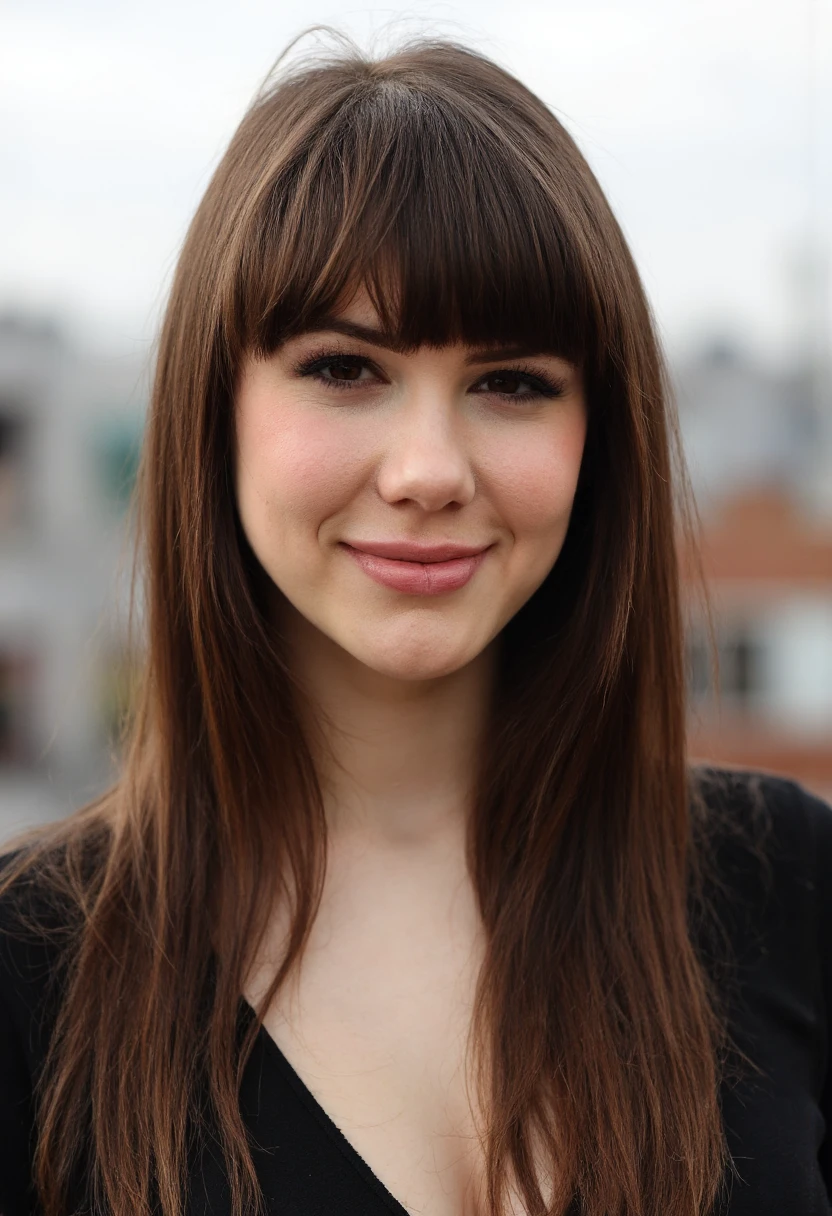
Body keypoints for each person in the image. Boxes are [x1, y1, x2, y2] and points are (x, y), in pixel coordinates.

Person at [1, 33, 831, 1216]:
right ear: (217, 409)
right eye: (345, 368)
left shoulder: (788, 890)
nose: (429, 470)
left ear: (600, 435)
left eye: (511, 383)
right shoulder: (32, 972)